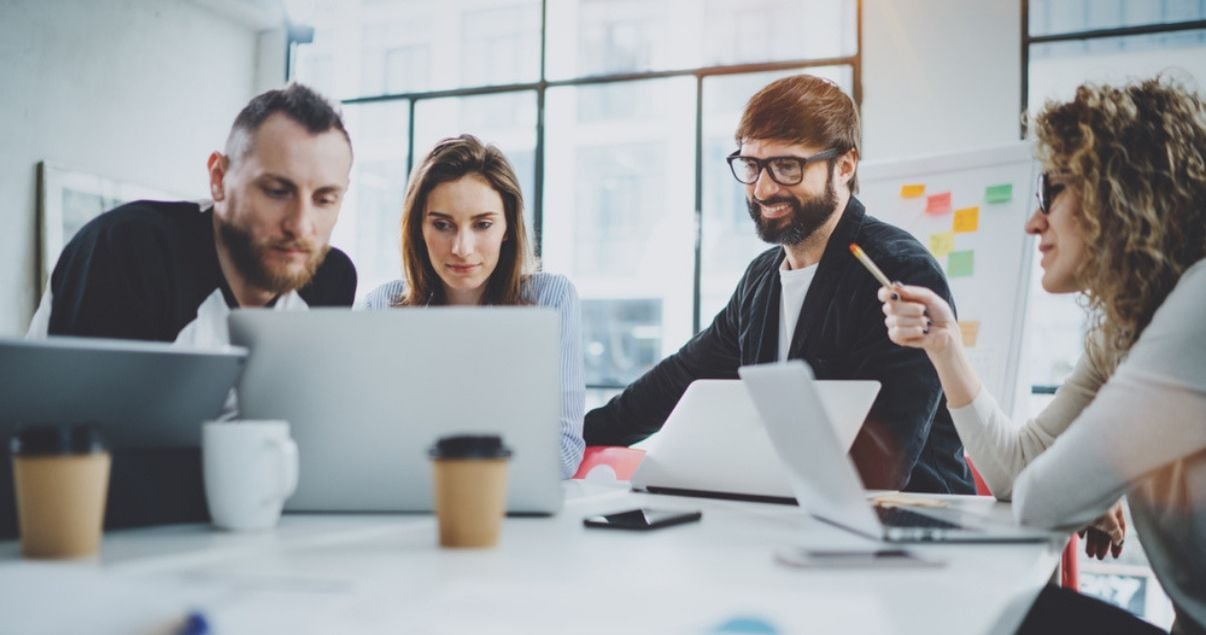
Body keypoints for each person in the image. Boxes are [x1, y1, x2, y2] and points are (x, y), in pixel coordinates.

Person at [879, 77, 1205, 634]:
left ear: (1121, 191)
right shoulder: (1121, 338)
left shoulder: (1198, 303)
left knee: (1006, 611)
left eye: (1051, 191)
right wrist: (947, 346)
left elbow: (1042, 498)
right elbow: (1018, 470)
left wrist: (1086, 484)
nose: (1034, 222)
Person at [584, 74, 974, 493]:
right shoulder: (761, 279)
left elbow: (882, 461)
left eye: (787, 166)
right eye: (751, 166)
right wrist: (573, 438)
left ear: (844, 166)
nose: (763, 188)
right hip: (796, 522)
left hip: (914, 530)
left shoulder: (898, 271)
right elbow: (678, 381)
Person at [6, 83, 359, 533]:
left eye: (325, 198)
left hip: (232, 532)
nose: (302, 226)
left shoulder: (330, 279)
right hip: (60, 531)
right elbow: (88, 462)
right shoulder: (131, 250)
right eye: (276, 190)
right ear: (218, 178)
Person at [362, 134, 585, 479]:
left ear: (508, 226)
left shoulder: (551, 299)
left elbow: (563, 450)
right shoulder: (381, 307)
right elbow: (367, 443)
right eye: (442, 225)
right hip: (407, 507)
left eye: (482, 225)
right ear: (419, 229)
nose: (462, 248)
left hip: (508, 510)